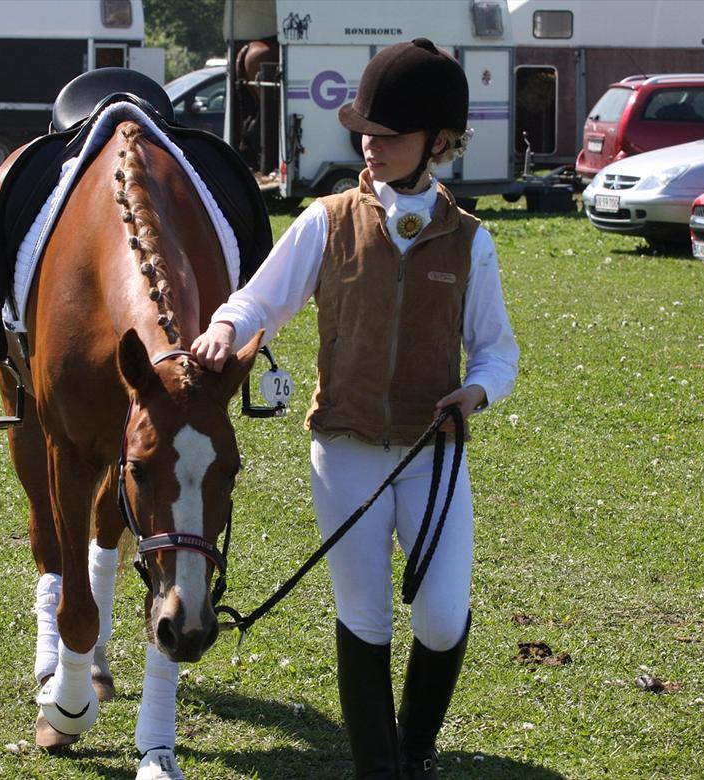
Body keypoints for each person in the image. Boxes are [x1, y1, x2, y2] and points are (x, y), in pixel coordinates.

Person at [192, 38, 519, 779]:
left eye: (388, 135)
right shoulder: (326, 222)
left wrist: (479, 390)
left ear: (438, 143)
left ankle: (417, 746)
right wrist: (223, 328)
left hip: (432, 452)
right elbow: (259, 301)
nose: (369, 146)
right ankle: (382, 767)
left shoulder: (471, 241)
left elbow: (498, 351)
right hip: (343, 447)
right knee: (364, 614)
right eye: (364, 133)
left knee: (440, 619)